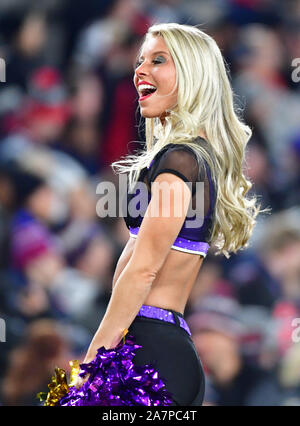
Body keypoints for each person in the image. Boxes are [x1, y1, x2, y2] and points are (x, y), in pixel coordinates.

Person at [49, 22, 265, 407]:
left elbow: (144, 268)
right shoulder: (193, 159)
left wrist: (91, 364)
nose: (140, 71)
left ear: (192, 76)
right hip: (160, 350)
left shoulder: (180, 159)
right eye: (140, 61)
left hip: (147, 356)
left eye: (159, 60)